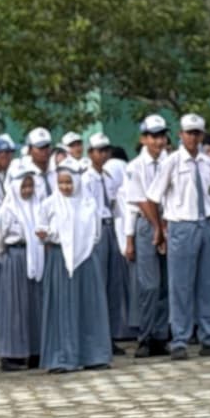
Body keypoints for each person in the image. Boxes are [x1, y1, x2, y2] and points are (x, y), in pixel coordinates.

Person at [141, 113, 210, 361]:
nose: (193, 137)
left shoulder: (209, 163)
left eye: (197, 133)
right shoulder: (172, 162)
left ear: (202, 135)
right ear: (181, 135)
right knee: (180, 286)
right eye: (189, 133)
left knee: (208, 284)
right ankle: (180, 339)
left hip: (206, 224)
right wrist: (159, 229)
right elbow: (152, 198)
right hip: (181, 226)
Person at [36, 161, 111, 374]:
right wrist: (49, 235)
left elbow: (95, 234)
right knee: (62, 306)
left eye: (69, 182)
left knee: (88, 305)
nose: (66, 187)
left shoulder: (89, 203)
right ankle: (62, 357)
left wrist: (80, 244)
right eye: (61, 183)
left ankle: (94, 354)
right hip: (60, 260)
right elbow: (41, 227)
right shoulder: (50, 204)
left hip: (86, 258)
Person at [122, 115, 171, 358]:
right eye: (153, 136)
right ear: (144, 139)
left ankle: (161, 334)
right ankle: (145, 335)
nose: (158, 141)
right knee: (148, 284)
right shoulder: (135, 167)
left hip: (168, 222)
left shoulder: (169, 162)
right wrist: (131, 238)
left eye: (161, 136)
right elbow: (139, 202)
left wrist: (166, 227)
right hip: (147, 224)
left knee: (165, 284)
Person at [0, 160, 43, 372]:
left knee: (34, 306)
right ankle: (11, 354)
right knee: (14, 307)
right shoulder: (7, 211)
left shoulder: (38, 206)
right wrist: (9, 259)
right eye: (23, 186)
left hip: (36, 257)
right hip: (15, 257)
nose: (27, 190)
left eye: (30, 186)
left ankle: (34, 351)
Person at [85, 133, 130, 350]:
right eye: (98, 150)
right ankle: (97, 335)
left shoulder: (109, 177)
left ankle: (111, 335)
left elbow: (115, 205)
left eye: (105, 150)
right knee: (99, 283)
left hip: (111, 227)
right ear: (90, 153)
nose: (103, 154)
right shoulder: (86, 179)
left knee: (113, 283)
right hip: (96, 230)